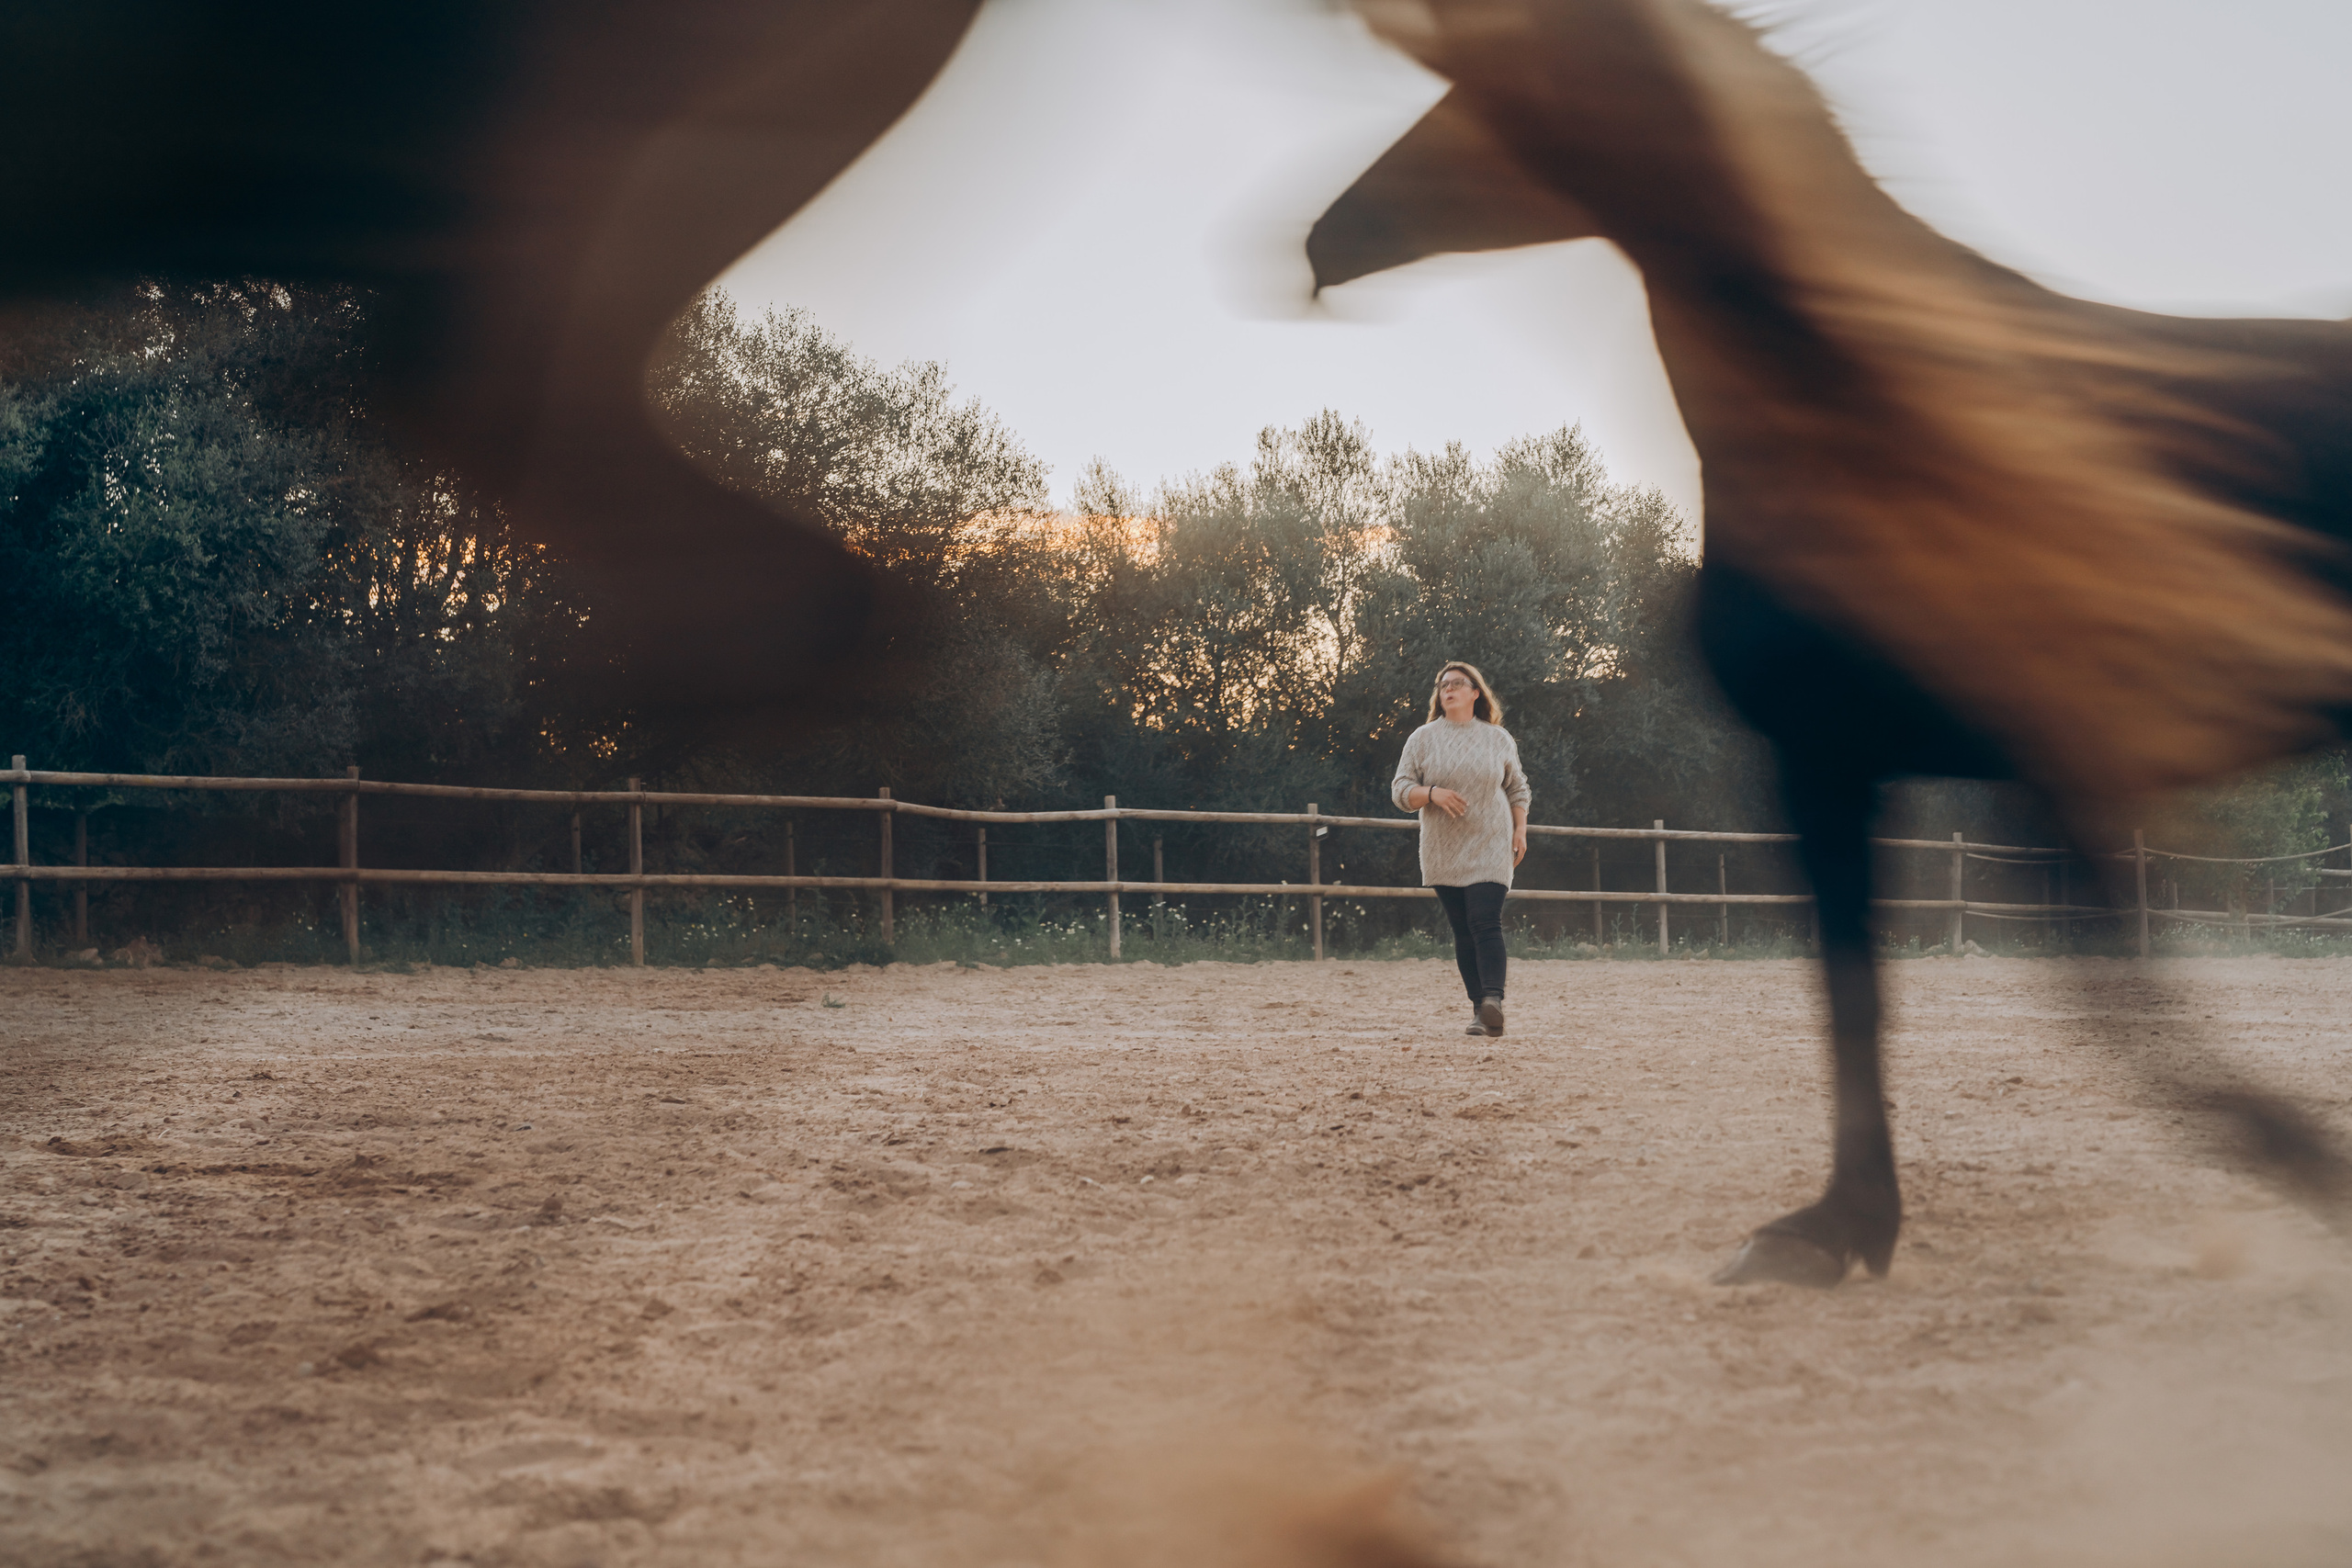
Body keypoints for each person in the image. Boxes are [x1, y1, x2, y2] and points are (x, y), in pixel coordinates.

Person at [1391, 661, 1531, 1037]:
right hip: (1443, 847)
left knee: (1485, 921)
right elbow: (1401, 791)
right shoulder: (1422, 738)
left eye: (1457, 683)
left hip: (1491, 842)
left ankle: (1493, 1001)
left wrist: (1520, 830)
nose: (1448, 689)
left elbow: (1518, 789)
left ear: (1475, 692)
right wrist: (1432, 793)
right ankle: (1480, 1012)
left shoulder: (1498, 738)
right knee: (1462, 929)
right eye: (1442, 685)